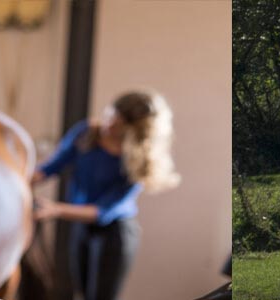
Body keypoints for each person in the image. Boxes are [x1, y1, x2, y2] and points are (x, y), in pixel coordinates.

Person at [35, 89, 181, 300]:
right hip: (81, 228)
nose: (108, 125)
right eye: (110, 116)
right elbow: (52, 167)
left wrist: (56, 209)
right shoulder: (85, 133)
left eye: (118, 123)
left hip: (115, 236)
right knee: (83, 293)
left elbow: (103, 211)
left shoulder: (138, 163)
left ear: (133, 131)